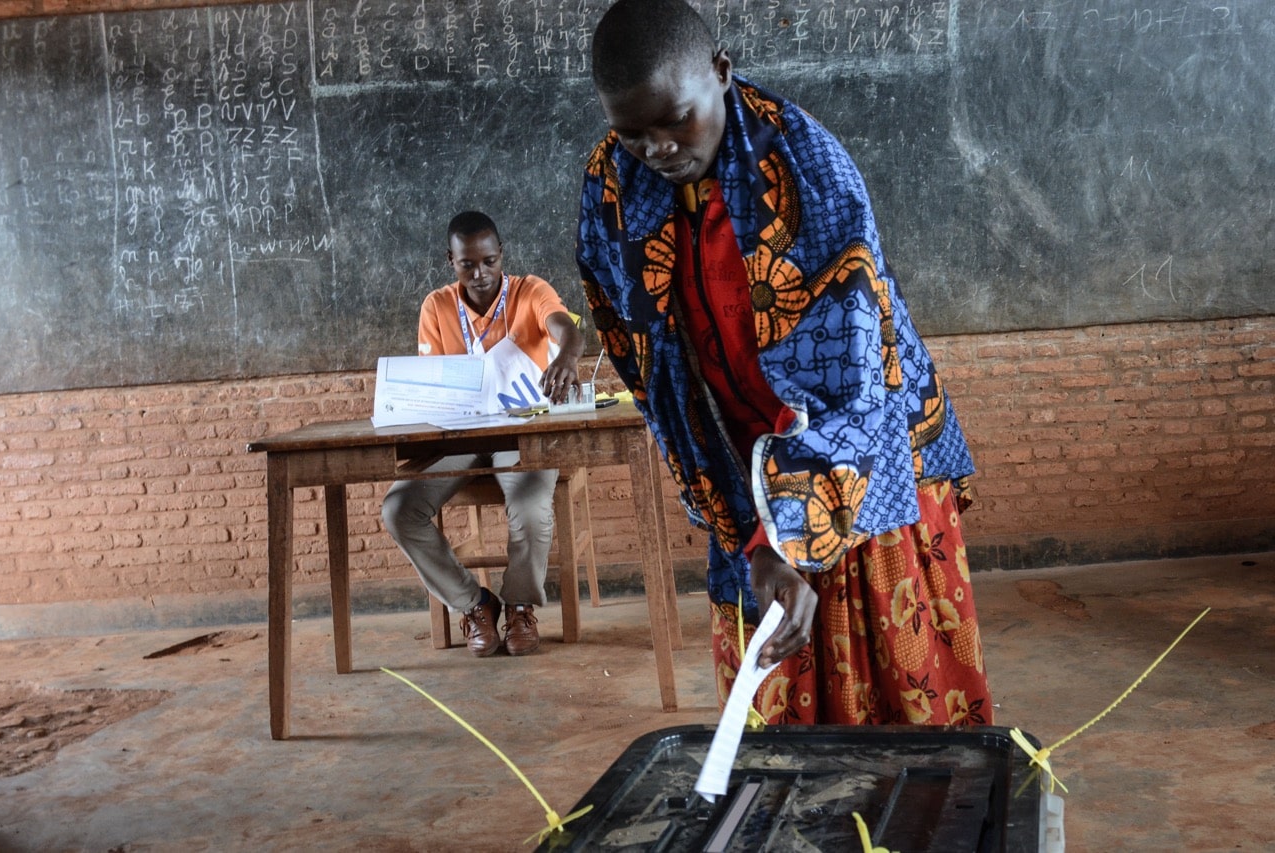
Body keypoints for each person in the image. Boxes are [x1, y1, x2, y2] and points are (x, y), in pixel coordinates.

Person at [577, 0, 992, 724]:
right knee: (775, 726)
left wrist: (785, 537)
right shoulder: (613, 191)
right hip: (746, 478)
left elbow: (851, 382)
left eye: (676, 118)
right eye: (632, 131)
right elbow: (652, 372)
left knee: (899, 711)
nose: (659, 147)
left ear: (721, 73)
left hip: (865, 472)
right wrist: (744, 531)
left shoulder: (805, 172)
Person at [382, 211, 584, 657]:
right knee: (399, 508)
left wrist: (567, 355)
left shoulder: (530, 291)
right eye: (467, 264)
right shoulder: (436, 307)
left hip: (522, 433)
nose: (480, 273)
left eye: (489, 261)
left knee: (530, 507)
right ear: (450, 261)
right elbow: (430, 387)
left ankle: (519, 607)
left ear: (501, 256)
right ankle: (475, 604)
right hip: (458, 437)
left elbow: (565, 327)